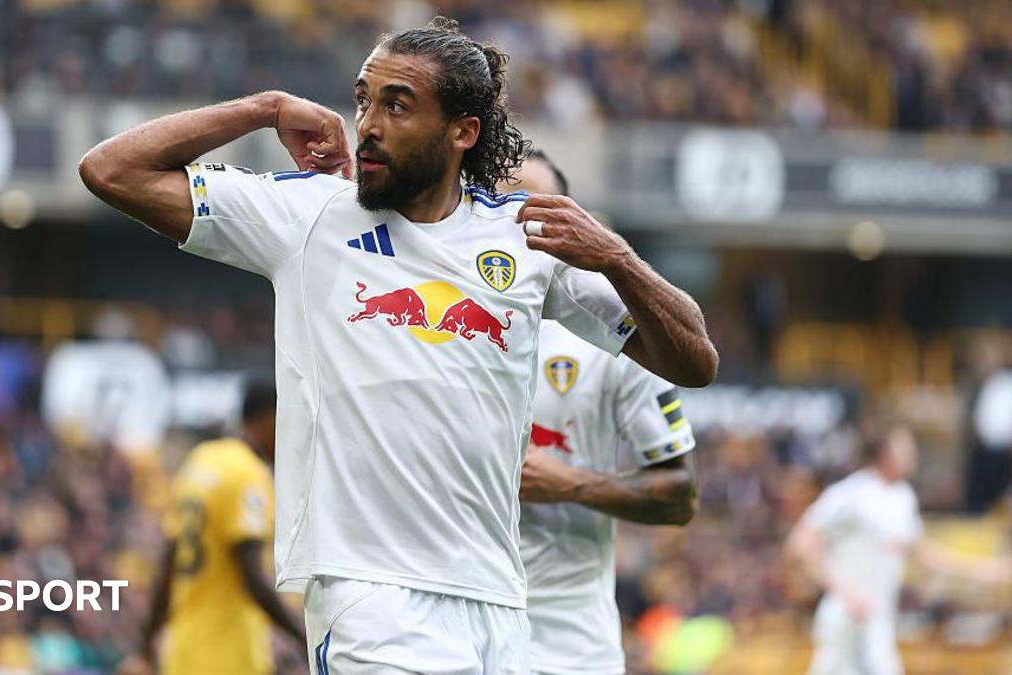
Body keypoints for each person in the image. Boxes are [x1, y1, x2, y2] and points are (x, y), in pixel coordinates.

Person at [79, 17, 717, 673]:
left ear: (462, 131)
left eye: (397, 104)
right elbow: (110, 170)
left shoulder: (520, 242)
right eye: (363, 99)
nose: (368, 123)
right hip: (371, 596)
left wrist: (616, 257)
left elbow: (692, 359)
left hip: (498, 605)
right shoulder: (310, 216)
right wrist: (261, 108)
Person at [499, 150, 699, 675]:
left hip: (567, 648)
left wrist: (568, 483)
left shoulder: (615, 342)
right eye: (496, 201)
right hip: (451, 634)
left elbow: (680, 495)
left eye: (532, 210)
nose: (514, 221)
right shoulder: (439, 325)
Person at [787, 422, 1011, 675]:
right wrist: (846, 590)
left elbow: (926, 555)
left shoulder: (902, 498)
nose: (912, 452)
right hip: (848, 621)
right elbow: (801, 543)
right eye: (904, 445)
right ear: (884, 452)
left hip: (879, 622)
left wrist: (988, 569)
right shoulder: (850, 494)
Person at [124, 381, 302, 675]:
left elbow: (168, 564)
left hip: (183, 652)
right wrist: (304, 635)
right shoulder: (247, 474)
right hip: (229, 656)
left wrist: (145, 648)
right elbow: (253, 577)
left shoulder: (200, 460)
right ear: (270, 419)